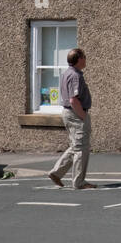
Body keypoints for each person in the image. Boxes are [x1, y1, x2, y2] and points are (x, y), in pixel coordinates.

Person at [48, 48, 95, 190]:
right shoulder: (75, 76)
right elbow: (73, 99)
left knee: (76, 146)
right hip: (75, 113)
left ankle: (56, 173)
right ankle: (79, 182)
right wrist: (82, 116)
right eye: (84, 57)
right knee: (81, 148)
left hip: (69, 113)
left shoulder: (67, 73)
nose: (86, 59)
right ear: (79, 59)